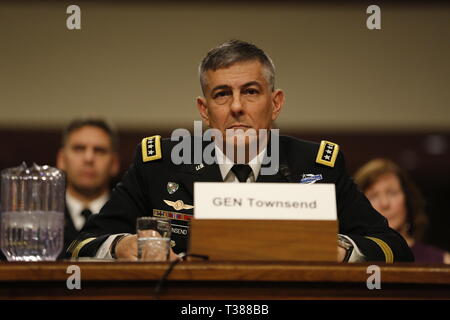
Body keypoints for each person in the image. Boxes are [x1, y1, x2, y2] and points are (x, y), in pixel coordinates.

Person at [67, 40, 413, 263]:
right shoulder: (159, 164)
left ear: (275, 103)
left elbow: (394, 248)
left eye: (250, 92)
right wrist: (121, 246)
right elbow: (79, 247)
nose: (236, 107)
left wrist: (340, 250)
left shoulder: (316, 165)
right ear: (204, 110)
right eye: (221, 95)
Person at [354, 158, 450, 264]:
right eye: (373, 196)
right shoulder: (349, 260)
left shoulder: (442, 261)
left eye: (392, 193)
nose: (385, 203)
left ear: (407, 199)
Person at [57, 118, 120, 257]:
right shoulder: (43, 214)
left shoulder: (126, 214)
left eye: (99, 150)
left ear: (114, 163)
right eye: (79, 149)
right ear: (62, 159)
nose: (89, 158)